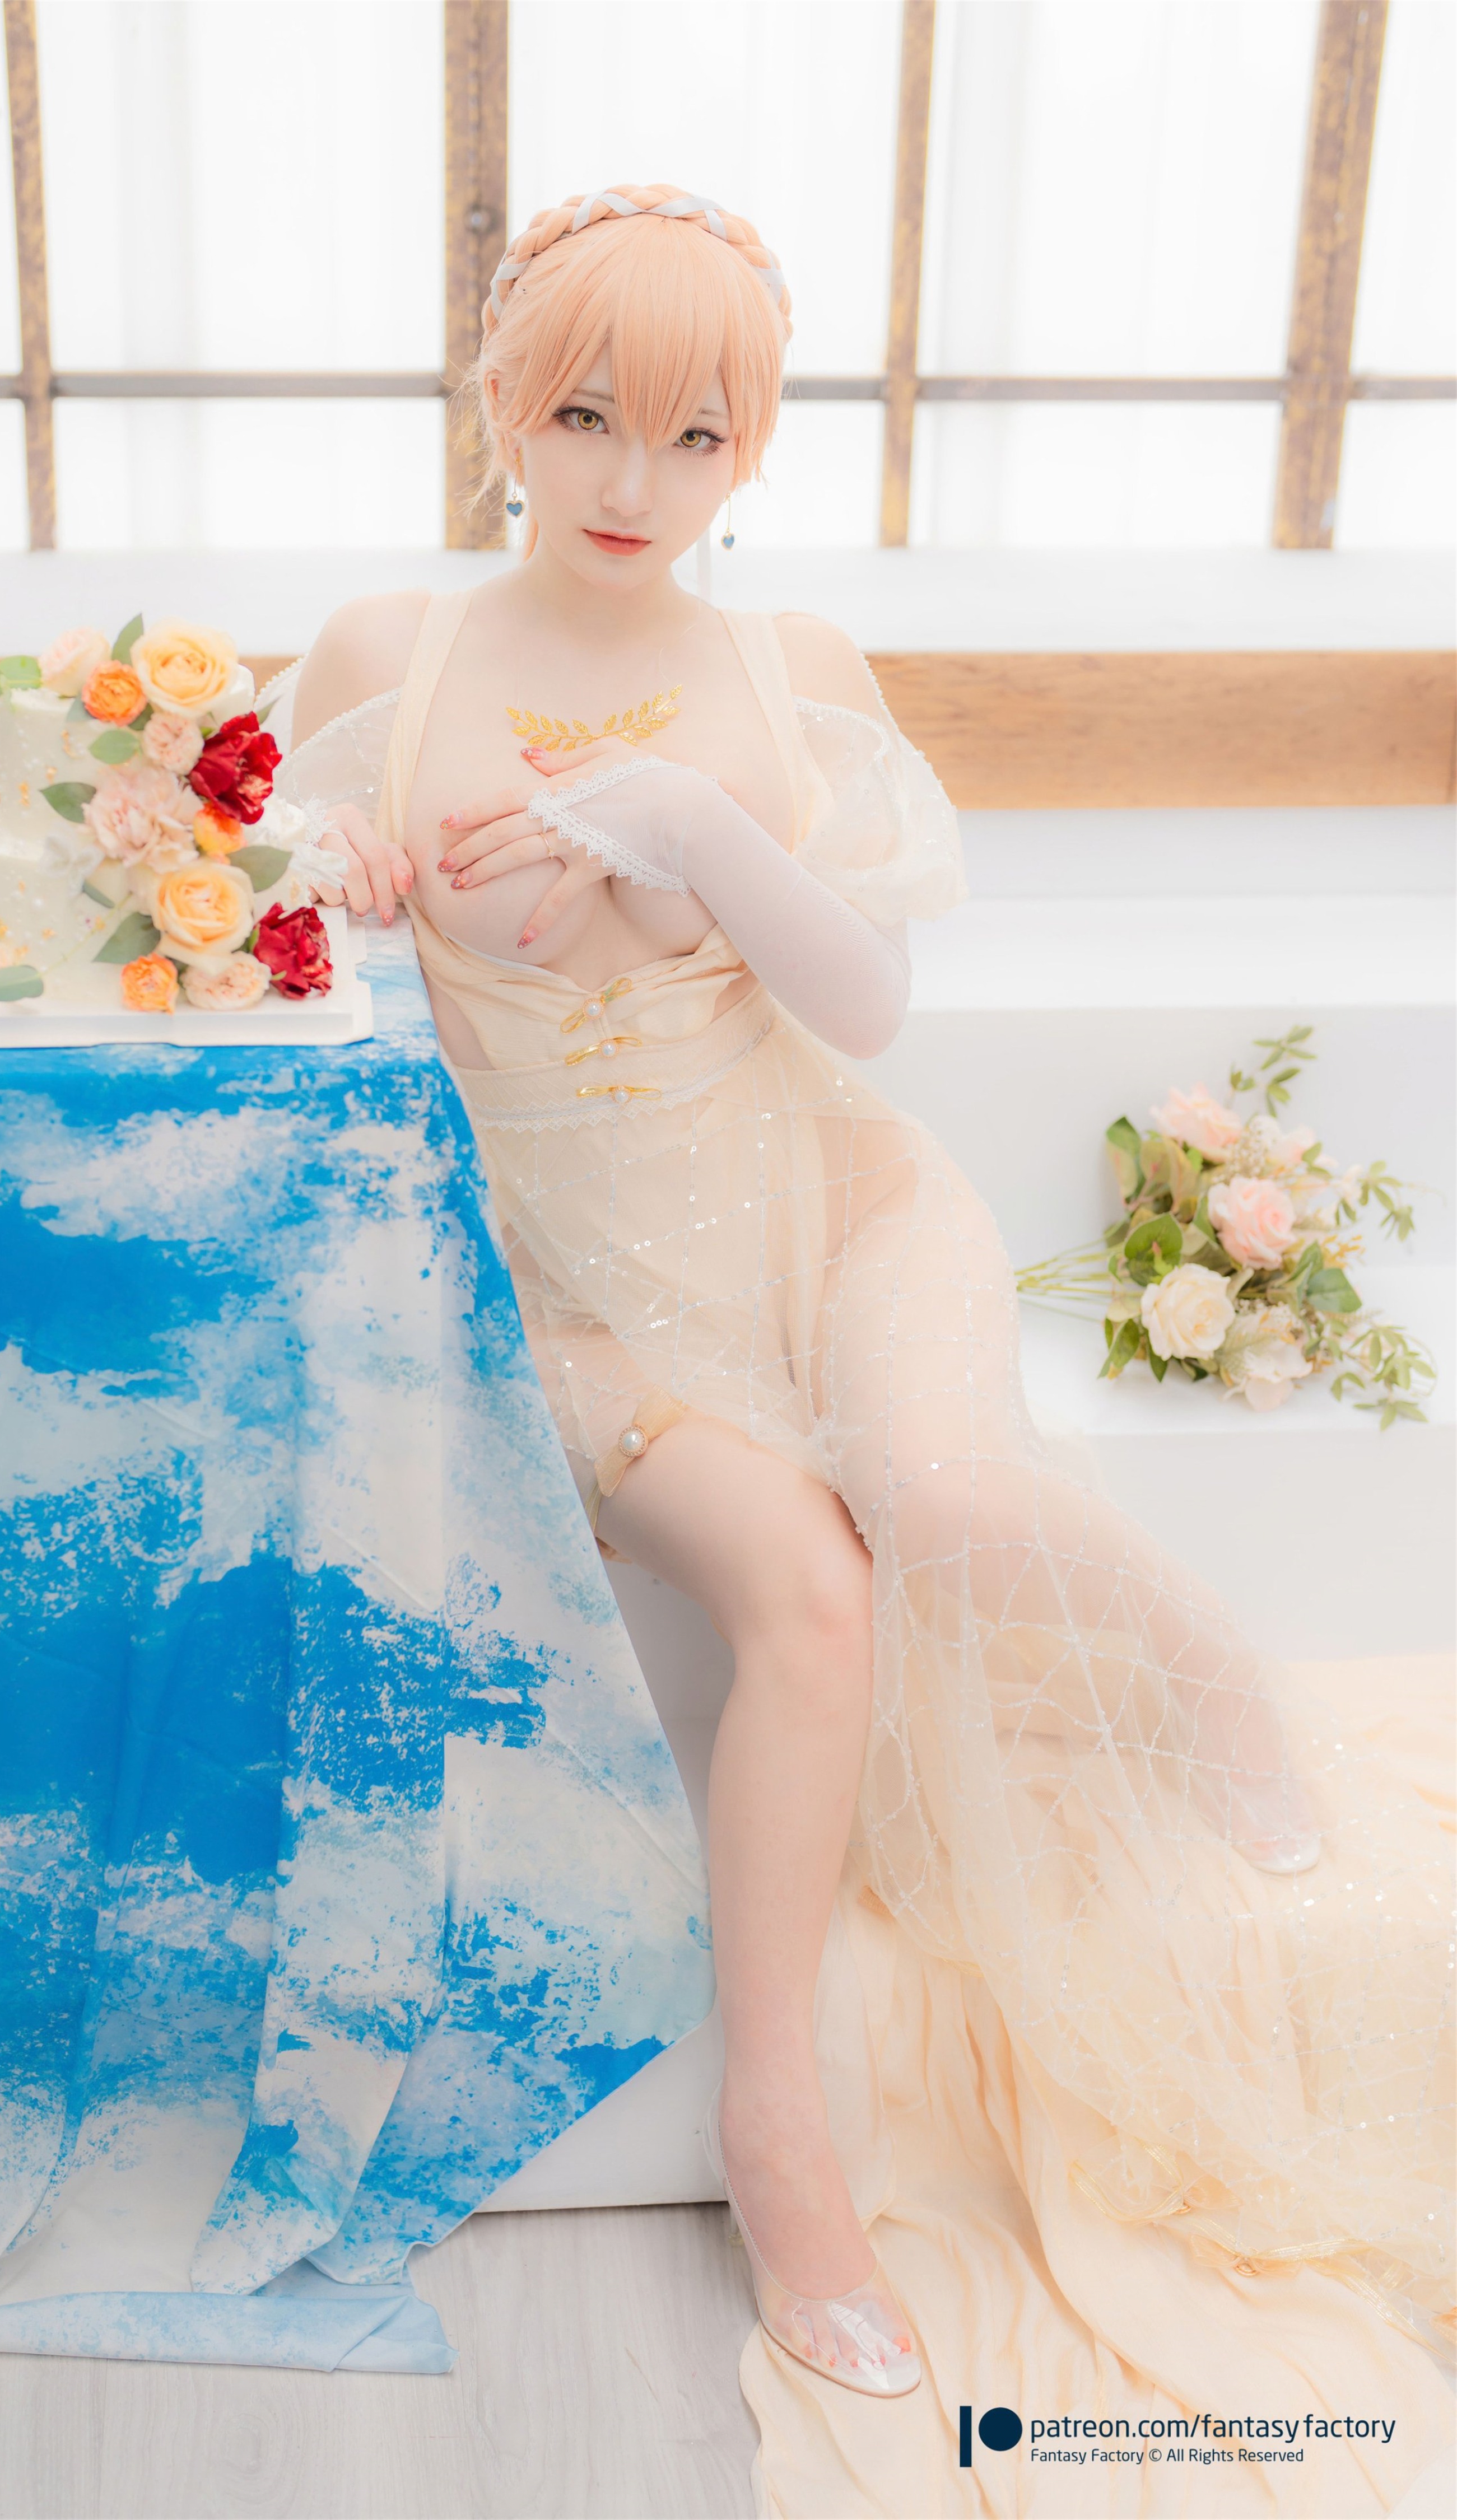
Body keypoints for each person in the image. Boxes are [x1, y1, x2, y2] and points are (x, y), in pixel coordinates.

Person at [283, 186, 1451, 2508]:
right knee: (812, 1588)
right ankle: (779, 2134)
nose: (634, 478)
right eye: (586, 415)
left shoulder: (783, 665)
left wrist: (695, 828)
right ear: (504, 402)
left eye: (695, 433)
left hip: (829, 1197)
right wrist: (340, 883)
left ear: (754, 447)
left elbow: (869, 1006)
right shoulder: (387, 656)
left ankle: (1208, 1672)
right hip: (571, 1295)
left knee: (933, 1493)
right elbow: (288, 970)